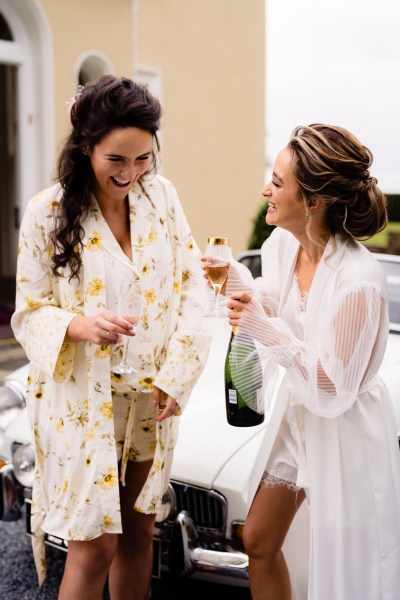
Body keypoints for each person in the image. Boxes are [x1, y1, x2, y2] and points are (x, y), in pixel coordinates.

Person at [11, 74, 210, 600]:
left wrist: (178, 376)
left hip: (152, 397)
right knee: (93, 544)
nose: (130, 173)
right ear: (85, 146)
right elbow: (27, 315)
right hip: (84, 398)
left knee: (140, 532)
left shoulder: (162, 197)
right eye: (116, 159)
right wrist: (78, 325)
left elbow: (194, 288)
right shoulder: (46, 213)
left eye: (142, 158)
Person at [221, 124, 400, 599]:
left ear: (314, 200)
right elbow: (276, 302)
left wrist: (261, 325)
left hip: (346, 432)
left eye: (277, 183)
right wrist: (236, 283)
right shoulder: (283, 245)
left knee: (345, 567)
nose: (266, 191)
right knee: (258, 538)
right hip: (298, 418)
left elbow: (332, 389)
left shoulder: (358, 280)